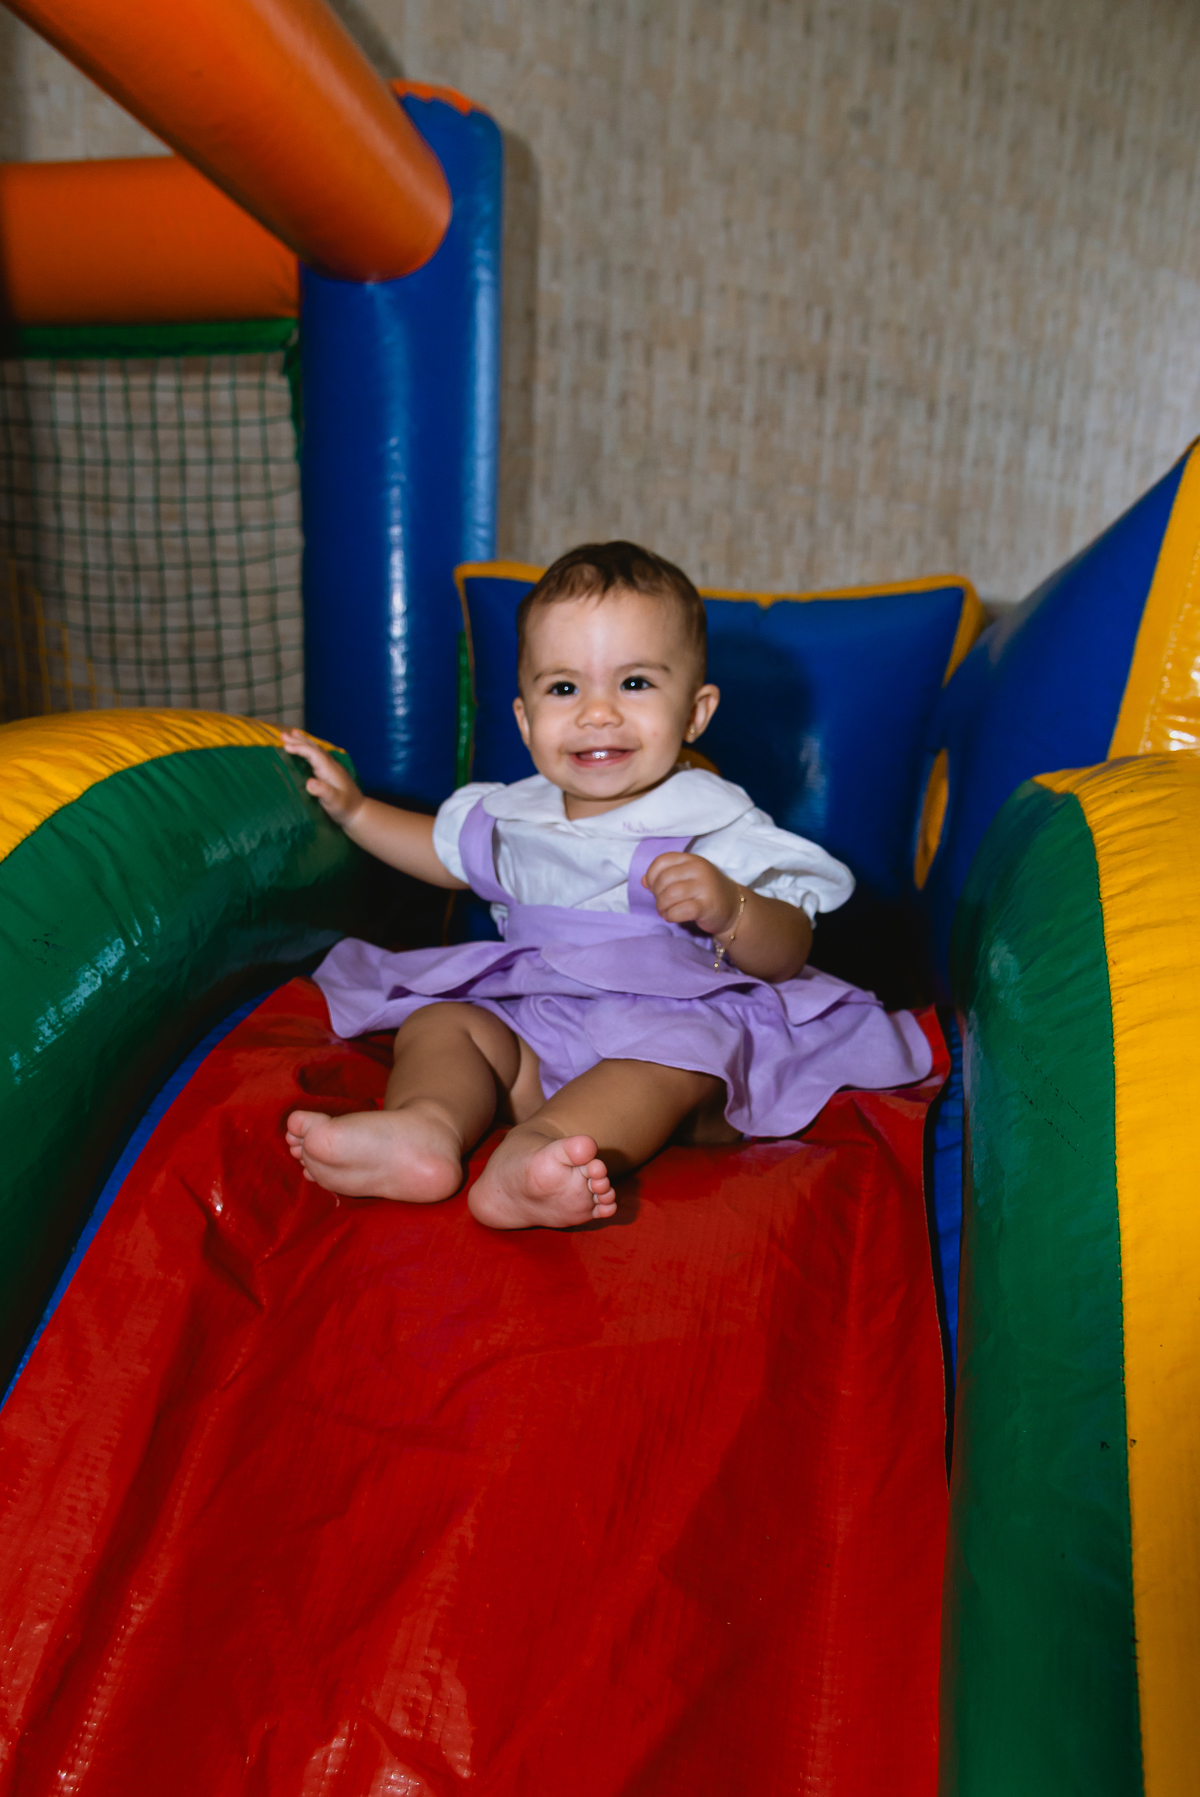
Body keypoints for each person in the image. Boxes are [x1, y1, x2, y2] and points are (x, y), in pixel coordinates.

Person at [281, 540, 931, 1230]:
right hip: (540, 1035)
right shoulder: (513, 813)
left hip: (676, 1050)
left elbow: (788, 950)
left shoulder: (712, 821)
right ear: (526, 720)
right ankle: (426, 1125)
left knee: (669, 1057)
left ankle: (536, 1153)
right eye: (565, 687)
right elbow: (442, 856)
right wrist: (355, 812)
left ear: (695, 712)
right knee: (444, 1022)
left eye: (635, 683)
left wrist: (731, 905)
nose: (597, 712)